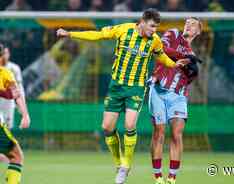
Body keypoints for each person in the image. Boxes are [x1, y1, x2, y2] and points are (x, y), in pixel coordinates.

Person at [56, 8, 189, 184]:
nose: (153, 30)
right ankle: (119, 163)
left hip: (136, 88)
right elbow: (97, 35)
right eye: (151, 26)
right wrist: (70, 34)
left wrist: (173, 64)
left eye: (156, 27)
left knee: (129, 124)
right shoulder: (123, 30)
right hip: (116, 86)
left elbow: (161, 57)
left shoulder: (154, 41)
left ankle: (126, 166)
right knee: (107, 127)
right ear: (142, 21)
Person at [149, 17, 202, 184]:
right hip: (158, 90)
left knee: (177, 134)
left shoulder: (193, 56)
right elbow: (161, 49)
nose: (189, 24)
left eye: (193, 24)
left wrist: (192, 69)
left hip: (178, 95)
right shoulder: (173, 33)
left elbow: (189, 78)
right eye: (188, 22)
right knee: (159, 133)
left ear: (198, 32)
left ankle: (172, 177)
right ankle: (158, 176)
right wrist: (184, 57)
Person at [0, 43, 31, 184]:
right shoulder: (5, 72)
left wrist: (24, 114)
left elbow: (16, 93)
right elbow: (15, 93)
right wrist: (25, 115)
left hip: (6, 111)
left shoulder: (11, 70)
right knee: (16, 156)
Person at [0, 47, 25, 130]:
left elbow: (19, 89)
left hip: (8, 103)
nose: (4, 55)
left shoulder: (14, 68)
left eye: (5, 53)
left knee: (7, 128)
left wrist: (21, 106)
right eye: (3, 53)